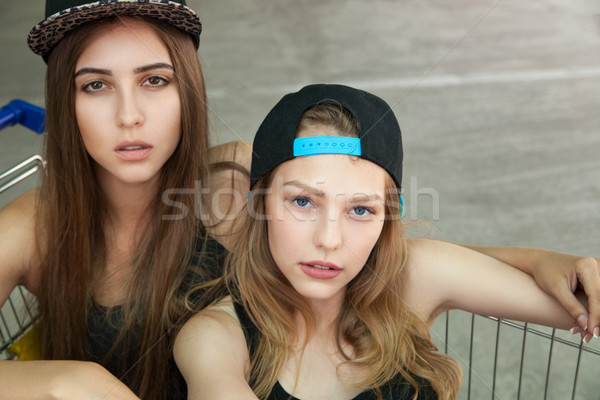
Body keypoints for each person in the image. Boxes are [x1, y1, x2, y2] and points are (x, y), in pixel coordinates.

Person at [174, 84, 597, 400]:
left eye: (361, 210)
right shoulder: (214, 338)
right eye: (302, 201)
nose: (329, 240)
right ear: (259, 204)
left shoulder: (412, 279)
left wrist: (541, 260)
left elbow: (586, 305)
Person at [0, 1, 249, 399]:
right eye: (95, 85)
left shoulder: (239, 188)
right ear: (67, 102)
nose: (128, 116)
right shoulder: (36, 224)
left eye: (154, 80)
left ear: (188, 87)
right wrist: (68, 382)